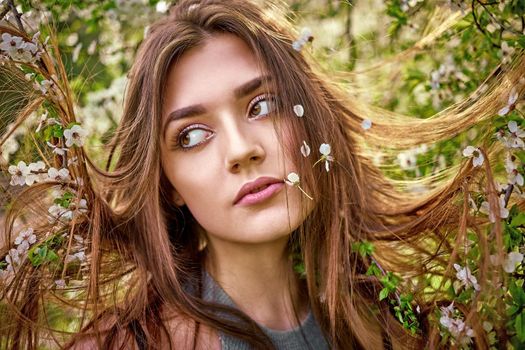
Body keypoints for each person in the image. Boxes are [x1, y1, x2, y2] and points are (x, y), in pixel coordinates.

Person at [0, 0, 523, 349]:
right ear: (168, 187)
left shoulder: (389, 326)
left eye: (263, 105)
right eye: (192, 135)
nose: (242, 150)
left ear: (311, 120)